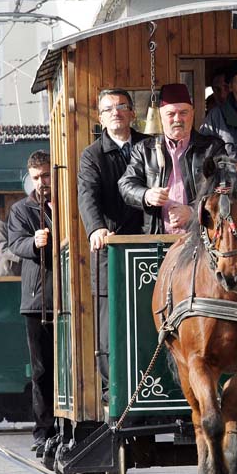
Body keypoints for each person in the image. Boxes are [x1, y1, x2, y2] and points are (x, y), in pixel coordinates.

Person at [78, 88, 149, 396]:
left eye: (122, 107)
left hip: (150, 242)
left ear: (133, 113)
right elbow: (87, 196)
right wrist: (95, 229)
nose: (116, 113)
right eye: (109, 109)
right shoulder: (92, 155)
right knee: (110, 326)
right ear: (100, 118)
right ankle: (114, 391)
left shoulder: (150, 146)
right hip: (111, 249)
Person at [119, 83, 226, 234]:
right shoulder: (144, 149)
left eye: (183, 113)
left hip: (202, 238)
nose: (177, 119)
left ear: (192, 113)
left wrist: (194, 213)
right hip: (157, 240)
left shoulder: (212, 148)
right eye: (171, 114)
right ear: (161, 116)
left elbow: (225, 187)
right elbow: (126, 184)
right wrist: (146, 195)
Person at [7, 150, 55, 456]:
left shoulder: (66, 202)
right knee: (41, 370)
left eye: (47, 175)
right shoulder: (22, 210)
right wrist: (33, 242)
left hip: (69, 298)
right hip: (37, 300)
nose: (42, 183)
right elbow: (15, 243)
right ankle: (43, 430)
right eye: (37, 178)